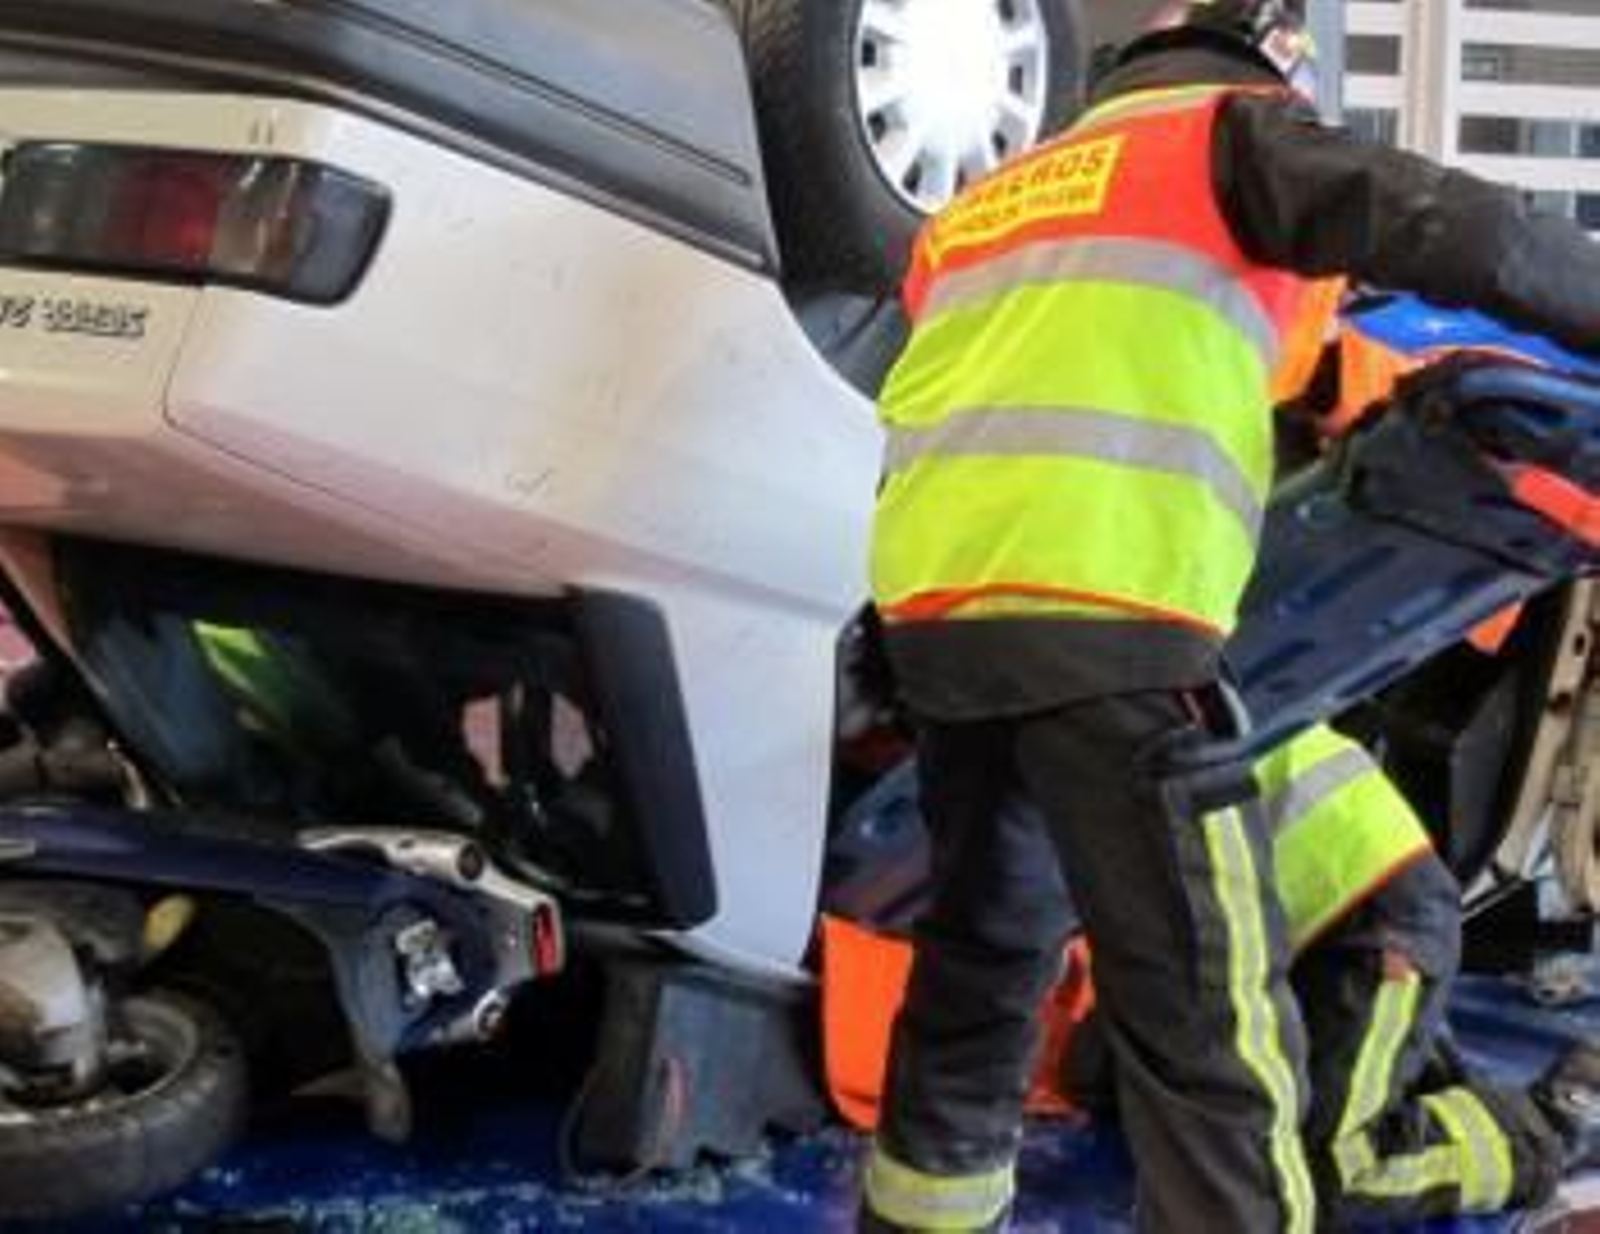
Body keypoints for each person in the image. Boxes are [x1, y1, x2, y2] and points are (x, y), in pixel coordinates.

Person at [861, 0, 1600, 1229]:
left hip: (940, 624)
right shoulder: (1227, 138)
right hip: (1112, 614)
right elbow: (1469, 233)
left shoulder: (986, 200)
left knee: (980, 975)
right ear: (1274, 59)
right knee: (1206, 1015)